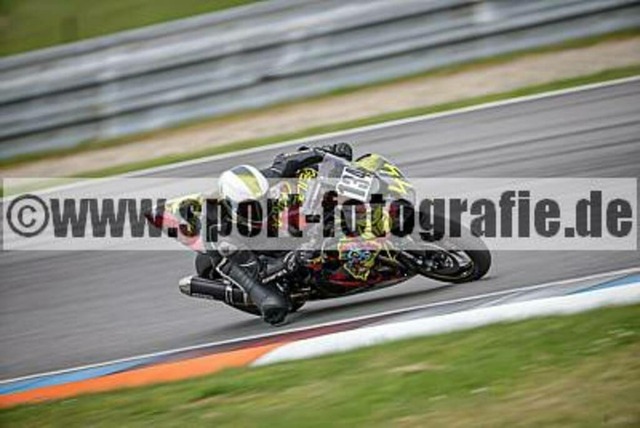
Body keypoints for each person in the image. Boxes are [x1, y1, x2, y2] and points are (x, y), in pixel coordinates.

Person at [198, 142, 353, 324]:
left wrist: (330, 151)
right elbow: (257, 271)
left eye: (264, 201)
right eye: (250, 208)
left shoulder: (262, 183)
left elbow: (289, 159)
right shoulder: (222, 235)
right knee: (276, 306)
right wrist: (292, 260)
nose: (260, 210)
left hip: (264, 232)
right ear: (230, 205)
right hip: (232, 259)